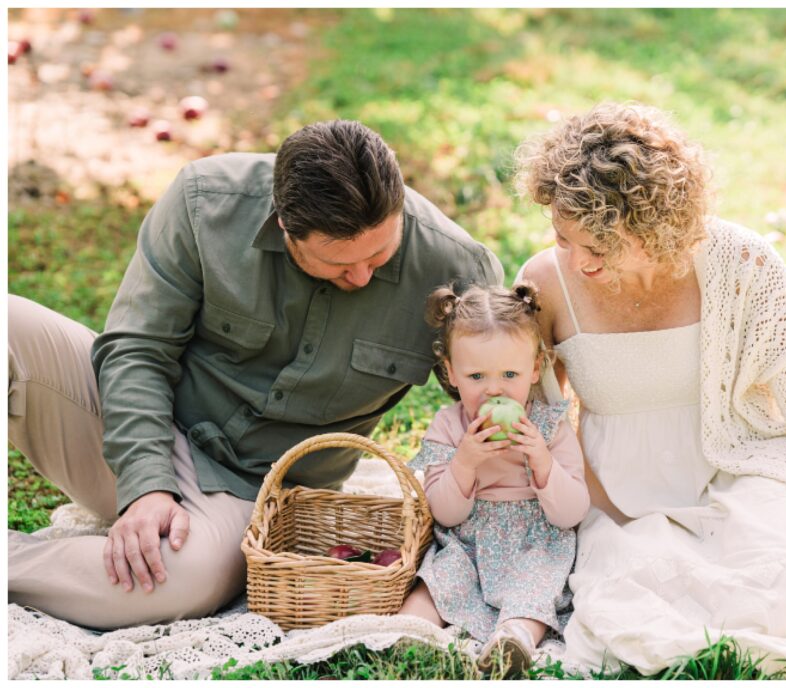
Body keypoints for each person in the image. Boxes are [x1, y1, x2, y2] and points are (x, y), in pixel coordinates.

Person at [8, 120, 503, 630]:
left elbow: (491, 405)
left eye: (379, 255)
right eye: (337, 264)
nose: (361, 277)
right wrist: (146, 487)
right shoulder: (205, 203)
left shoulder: (458, 271)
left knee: (180, 579)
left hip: (249, 495)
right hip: (135, 425)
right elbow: (138, 349)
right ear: (285, 227)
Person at [513, 102, 786, 671]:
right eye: (565, 237)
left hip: (741, 472)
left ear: (655, 230)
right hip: (611, 498)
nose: (578, 259)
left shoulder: (743, 262)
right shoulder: (544, 281)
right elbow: (528, 413)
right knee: (622, 608)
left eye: (600, 247)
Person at [398, 282, 590, 672]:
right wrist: (464, 464)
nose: (493, 390)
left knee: (535, 587)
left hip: (536, 540)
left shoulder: (548, 427)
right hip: (468, 540)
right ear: (451, 373)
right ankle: (407, 631)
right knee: (437, 579)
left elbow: (572, 513)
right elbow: (445, 513)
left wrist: (541, 460)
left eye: (508, 374)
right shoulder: (449, 427)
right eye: (476, 377)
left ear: (535, 368)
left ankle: (514, 637)